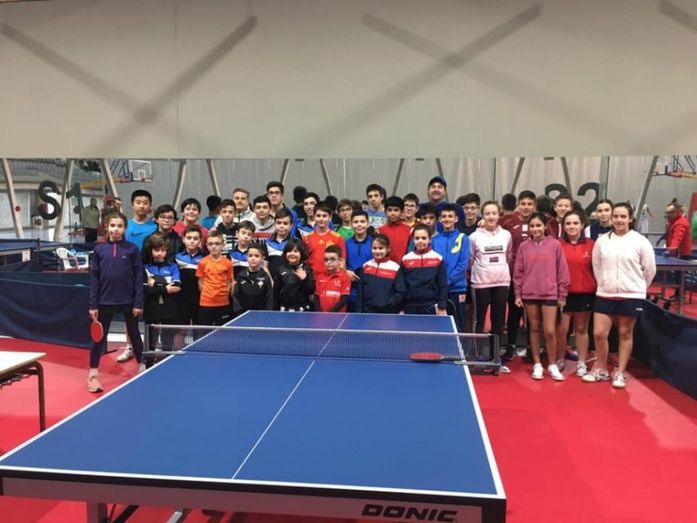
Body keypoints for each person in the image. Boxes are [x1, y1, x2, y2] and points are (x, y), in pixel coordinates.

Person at [584, 202, 656, 389]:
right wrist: (604, 284)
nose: (619, 220)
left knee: (625, 333)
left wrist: (638, 288)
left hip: (631, 295)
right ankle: (601, 369)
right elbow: (596, 266)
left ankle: (620, 372)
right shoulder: (602, 241)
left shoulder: (640, 241)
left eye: (623, 216)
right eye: (616, 216)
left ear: (630, 218)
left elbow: (649, 269)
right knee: (599, 333)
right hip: (605, 293)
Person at [87, 212, 145, 393]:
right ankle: (93, 375)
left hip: (128, 300)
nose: (116, 229)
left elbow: (138, 278)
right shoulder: (99, 250)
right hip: (105, 301)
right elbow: (95, 278)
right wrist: (93, 304)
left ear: (125, 228)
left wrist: (138, 302)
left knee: (134, 333)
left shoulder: (132, 249)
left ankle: (142, 367)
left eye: (120, 226)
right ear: (106, 227)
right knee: (99, 338)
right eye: (112, 225)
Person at [513, 212, 570, 381]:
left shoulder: (555, 245)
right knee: (534, 328)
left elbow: (562, 271)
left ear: (545, 226)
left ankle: (552, 365)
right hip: (530, 294)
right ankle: (537, 364)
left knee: (550, 331)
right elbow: (518, 272)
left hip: (550, 294)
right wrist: (518, 293)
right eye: (532, 226)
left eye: (538, 225)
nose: (535, 229)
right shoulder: (524, 246)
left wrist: (562, 294)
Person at [469, 201, 512, 356]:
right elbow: (470, 259)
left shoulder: (506, 235)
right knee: (478, 320)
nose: (491, 216)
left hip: (502, 282)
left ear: (499, 215)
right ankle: (477, 352)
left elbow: (508, 256)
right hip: (480, 283)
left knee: (498, 320)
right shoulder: (473, 237)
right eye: (487, 213)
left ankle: (494, 355)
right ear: (483, 215)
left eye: (494, 213)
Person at [557, 210, 596, 378]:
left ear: (582, 225)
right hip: (563, 294)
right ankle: (559, 359)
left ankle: (581, 362)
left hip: (584, 293)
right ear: (564, 226)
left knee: (581, 329)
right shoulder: (557, 245)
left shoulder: (592, 245)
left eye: (575, 223)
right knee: (562, 330)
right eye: (568, 223)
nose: (571, 226)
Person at [502, 190, 536, 356]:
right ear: (518, 205)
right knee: (514, 312)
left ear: (534, 206)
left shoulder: (539, 223)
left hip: (533, 276)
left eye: (529, 204)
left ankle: (531, 347)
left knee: (532, 314)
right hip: (512, 275)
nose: (526, 207)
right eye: (523, 204)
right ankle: (511, 345)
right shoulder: (507, 223)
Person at [142, 233, 181, 363]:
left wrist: (155, 283)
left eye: (162, 250)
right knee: (150, 337)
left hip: (168, 307)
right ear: (151, 251)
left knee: (167, 337)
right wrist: (165, 288)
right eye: (156, 250)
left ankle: (167, 361)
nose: (159, 253)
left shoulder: (173, 267)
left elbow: (176, 287)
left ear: (167, 251)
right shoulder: (145, 268)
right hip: (151, 307)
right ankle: (148, 361)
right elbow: (145, 289)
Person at [431, 203, 470, 331]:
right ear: (440, 219)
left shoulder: (463, 238)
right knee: (440, 324)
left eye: (450, 216)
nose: (447, 219)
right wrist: (440, 284)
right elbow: (433, 264)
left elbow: (463, 265)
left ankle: (460, 344)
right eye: (444, 216)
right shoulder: (435, 240)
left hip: (457, 289)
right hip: (439, 290)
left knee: (458, 323)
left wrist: (446, 282)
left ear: (456, 219)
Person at [401, 224, 448, 316]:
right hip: (410, 306)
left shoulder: (438, 258)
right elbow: (402, 286)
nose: (420, 241)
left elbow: (442, 284)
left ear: (429, 239)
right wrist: (401, 307)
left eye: (424, 238)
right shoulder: (405, 259)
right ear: (413, 239)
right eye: (417, 238)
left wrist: (442, 305)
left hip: (430, 305)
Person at [358, 234, 405, 313]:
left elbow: (401, 292)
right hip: (368, 312)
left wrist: (388, 304)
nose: (377, 251)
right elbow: (360, 292)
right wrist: (359, 311)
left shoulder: (395, 268)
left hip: (388, 312)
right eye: (374, 248)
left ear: (388, 249)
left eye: (381, 248)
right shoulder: (366, 266)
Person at [196, 230, 234, 326]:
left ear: (223, 245)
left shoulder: (228, 263)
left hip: (223, 303)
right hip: (206, 303)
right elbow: (200, 283)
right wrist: (209, 294)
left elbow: (229, 282)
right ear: (206, 245)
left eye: (217, 243)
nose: (214, 246)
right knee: (204, 331)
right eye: (210, 244)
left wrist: (223, 294)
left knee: (223, 332)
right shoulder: (202, 262)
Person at [174, 225, 204, 340]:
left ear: (200, 240)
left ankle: (198, 351)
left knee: (199, 331)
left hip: (200, 299)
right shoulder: (176, 257)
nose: (192, 241)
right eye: (189, 238)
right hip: (181, 299)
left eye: (195, 238)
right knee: (181, 331)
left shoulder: (205, 258)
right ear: (183, 239)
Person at [303, 204, 346, 277]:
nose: (321, 219)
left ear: (330, 217)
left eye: (324, 216)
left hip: (332, 279)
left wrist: (339, 278)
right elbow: (304, 260)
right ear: (314, 217)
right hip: (312, 279)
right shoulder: (306, 237)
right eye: (318, 216)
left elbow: (342, 261)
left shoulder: (338, 238)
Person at [232, 243, 274, 315]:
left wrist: (267, 314)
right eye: (250, 255)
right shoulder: (240, 276)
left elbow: (270, 299)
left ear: (262, 258)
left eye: (256, 256)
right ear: (246, 257)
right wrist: (239, 313)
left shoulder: (265, 277)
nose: (253, 258)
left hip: (262, 315)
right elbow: (236, 298)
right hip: (243, 315)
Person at [274, 240, 316, 311]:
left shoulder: (306, 269)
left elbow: (311, 290)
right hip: (284, 309)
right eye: (289, 251)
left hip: (303, 309)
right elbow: (276, 292)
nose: (292, 254)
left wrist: (305, 279)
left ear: (301, 253)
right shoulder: (280, 269)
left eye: (296, 251)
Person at [345, 210, 374, 311]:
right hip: (352, 291)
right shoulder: (346, 243)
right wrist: (346, 271)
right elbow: (341, 264)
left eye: (362, 221)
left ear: (368, 224)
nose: (359, 225)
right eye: (356, 222)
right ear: (351, 224)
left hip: (370, 289)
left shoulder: (374, 243)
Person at [313, 244, 351, 312]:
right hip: (322, 315)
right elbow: (316, 297)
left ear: (340, 261)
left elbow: (344, 299)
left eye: (332, 259)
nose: (329, 262)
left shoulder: (344, 278)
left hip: (337, 315)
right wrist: (319, 312)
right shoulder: (320, 277)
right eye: (326, 259)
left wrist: (331, 313)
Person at [379, 196, 411, 263]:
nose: (392, 213)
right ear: (385, 212)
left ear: (402, 212)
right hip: (385, 265)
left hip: (403, 266)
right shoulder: (381, 230)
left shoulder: (408, 230)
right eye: (389, 210)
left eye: (396, 210)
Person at [266, 209, 295, 276]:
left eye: (285, 223)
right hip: (271, 280)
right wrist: (270, 280)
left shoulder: (296, 243)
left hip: (291, 280)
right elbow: (265, 267)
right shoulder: (267, 243)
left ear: (291, 226)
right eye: (279, 223)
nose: (281, 226)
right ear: (274, 224)